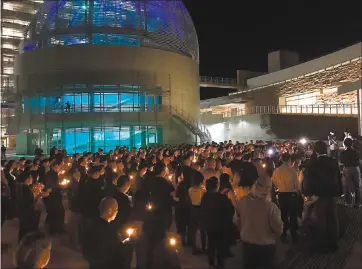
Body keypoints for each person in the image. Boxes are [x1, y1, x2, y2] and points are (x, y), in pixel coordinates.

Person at [235, 175, 283, 269]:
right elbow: (279, 229)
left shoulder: (242, 202)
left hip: (247, 245)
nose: (268, 190)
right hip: (265, 247)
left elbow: (236, 221)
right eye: (267, 187)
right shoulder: (270, 207)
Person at [305, 141, 343, 252]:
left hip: (319, 195)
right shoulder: (333, 161)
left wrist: (308, 194)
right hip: (331, 194)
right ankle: (334, 244)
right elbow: (338, 178)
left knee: (321, 219)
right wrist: (339, 192)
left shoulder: (312, 163)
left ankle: (322, 244)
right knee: (333, 218)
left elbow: (308, 181)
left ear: (315, 151)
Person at [200, 176, 234, 268]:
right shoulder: (221, 198)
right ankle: (220, 263)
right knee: (220, 244)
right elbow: (230, 210)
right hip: (219, 225)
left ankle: (210, 260)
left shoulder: (205, 196)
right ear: (216, 186)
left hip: (209, 224)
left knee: (211, 242)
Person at [81, 197, 124, 269]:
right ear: (109, 210)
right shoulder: (109, 230)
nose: (117, 212)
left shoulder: (91, 225)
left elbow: (86, 247)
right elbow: (114, 252)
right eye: (116, 209)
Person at [272, 153, 300, 243]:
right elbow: (297, 186)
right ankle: (294, 235)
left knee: (283, 214)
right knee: (293, 215)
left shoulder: (277, 171)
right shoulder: (293, 171)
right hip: (292, 195)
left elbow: (275, 183)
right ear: (289, 161)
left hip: (282, 195)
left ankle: (284, 234)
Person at [17, 172, 50, 242]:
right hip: (28, 213)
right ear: (27, 179)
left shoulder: (20, 187)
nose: (32, 179)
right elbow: (31, 202)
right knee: (28, 228)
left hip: (22, 212)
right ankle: (26, 243)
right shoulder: (26, 190)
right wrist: (39, 196)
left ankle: (21, 241)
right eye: (31, 177)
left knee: (23, 228)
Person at [44, 161, 66, 235]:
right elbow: (52, 185)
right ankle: (55, 229)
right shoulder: (51, 174)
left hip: (55, 194)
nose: (59, 168)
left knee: (56, 212)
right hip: (53, 196)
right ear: (53, 166)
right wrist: (61, 186)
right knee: (56, 212)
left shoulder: (54, 173)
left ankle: (55, 228)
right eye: (58, 166)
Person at [188, 170, 206, 254]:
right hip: (201, 209)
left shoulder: (190, 189)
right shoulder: (203, 190)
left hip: (192, 209)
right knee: (202, 229)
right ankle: (203, 246)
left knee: (193, 229)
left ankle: (194, 248)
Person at [340, 138, 362, 207]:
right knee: (357, 186)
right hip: (355, 168)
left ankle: (348, 202)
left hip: (347, 168)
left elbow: (341, 161)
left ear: (344, 144)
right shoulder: (355, 152)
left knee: (347, 186)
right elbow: (358, 160)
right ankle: (358, 203)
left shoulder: (343, 153)